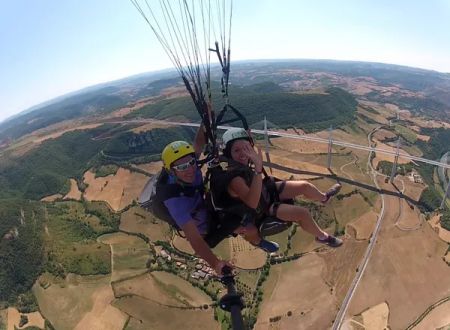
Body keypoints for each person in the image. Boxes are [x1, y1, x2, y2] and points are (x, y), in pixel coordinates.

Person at [159, 126, 278, 276]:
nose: (189, 169)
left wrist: (206, 119)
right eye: (182, 167)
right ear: (171, 171)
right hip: (204, 226)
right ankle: (258, 242)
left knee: (243, 220)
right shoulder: (175, 201)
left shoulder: (189, 166)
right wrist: (216, 264)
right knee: (248, 229)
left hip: (207, 207)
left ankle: (256, 240)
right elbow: (195, 239)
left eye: (191, 163)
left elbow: (198, 143)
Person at [218, 127, 344, 248]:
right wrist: (257, 170)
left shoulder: (243, 164)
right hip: (262, 209)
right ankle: (323, 237)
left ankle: (324, 198)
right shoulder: (235, 179)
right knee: (303, 213)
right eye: (236, 150)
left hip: (265, 192)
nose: (243, 153)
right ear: (229, 153)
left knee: (305, 186)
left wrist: (249, 139)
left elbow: (248, 158)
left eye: (246, 148)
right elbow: (252, 203)